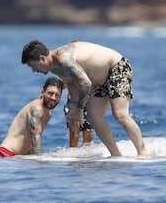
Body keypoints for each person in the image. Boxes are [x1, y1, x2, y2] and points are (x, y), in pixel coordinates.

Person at [21, 40, 149, 157]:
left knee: (120, 114)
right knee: (93, 117)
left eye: (33, 66)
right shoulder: (54, 67)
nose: (34, 70)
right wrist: (73, 107)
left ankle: (143, 153)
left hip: (116, 68)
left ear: (42, 59)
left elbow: (85, 84)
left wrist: (79, 110)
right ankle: (116, 155)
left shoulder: (63, 59)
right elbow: (72, 83)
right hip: (97, 81)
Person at [0, 77, 64, 157]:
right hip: (3, 154)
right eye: (50, 93)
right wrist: (39, 161)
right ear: (42, 92)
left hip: (14, 158)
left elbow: (30, 143)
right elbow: (35, 137)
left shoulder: (48, 115)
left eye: (57, 95)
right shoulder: (37, 109)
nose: (53, 98)